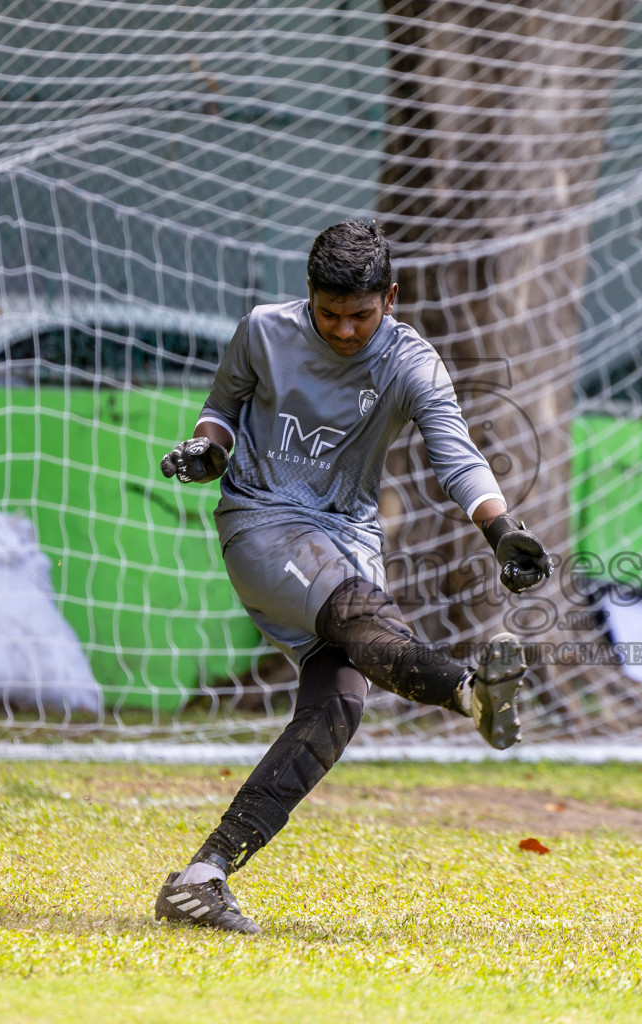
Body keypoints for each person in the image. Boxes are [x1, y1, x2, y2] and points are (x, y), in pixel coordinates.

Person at [151, 220, 552, 933]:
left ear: (389, 298)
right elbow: (221, 413)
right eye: (328, 313)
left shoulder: (411, 362)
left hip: (349, 538)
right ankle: (471, 694)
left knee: (337, 705)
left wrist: (502, 529)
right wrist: (206, 453)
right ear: (308, 295)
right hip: (263, 523)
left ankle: (200, 877)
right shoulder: (263, 331)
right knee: (361, 613)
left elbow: (457, 458)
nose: (342, 331)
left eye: (359, 316)